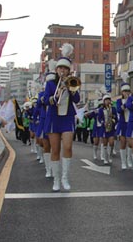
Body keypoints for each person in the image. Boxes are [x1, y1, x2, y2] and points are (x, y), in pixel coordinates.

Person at [43, 44, 80, 192]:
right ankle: (56, 180)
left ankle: (65, 177)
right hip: (53, 117)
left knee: (68, 146)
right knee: (55, 149)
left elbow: (76, 99)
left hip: (67, 117)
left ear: (68, 70)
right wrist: (54, 96)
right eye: (60, 68)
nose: (62, 71)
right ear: (57, 70)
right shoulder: (51, 84)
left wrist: (69, 89)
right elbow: (46, 99)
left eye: (65, 68)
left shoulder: (72, 82)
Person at [116, 81, 132, 170]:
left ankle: (129, 159)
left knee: (130, 142)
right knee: (123, 142)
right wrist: (125, 104)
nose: (126, 92)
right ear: (122, 92)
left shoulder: (132, 99)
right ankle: (123, 162)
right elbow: (119, 110)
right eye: (125, 91)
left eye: (128, 91)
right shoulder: (119, 101)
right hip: (122, 123)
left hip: (130, 123)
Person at [97, 94, 118, 165]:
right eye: (106, 100)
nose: (108, 101)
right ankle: (105, 158)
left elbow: (116, 118)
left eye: (109, 100)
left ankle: (110, 156)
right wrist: (103, 122)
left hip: (111, 128)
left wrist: (113, 120)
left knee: (111, 143)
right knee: (105, 144)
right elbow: (99, 118)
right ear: (103, 101)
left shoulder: (113, 109)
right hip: (104, 128)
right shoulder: (101, 109)